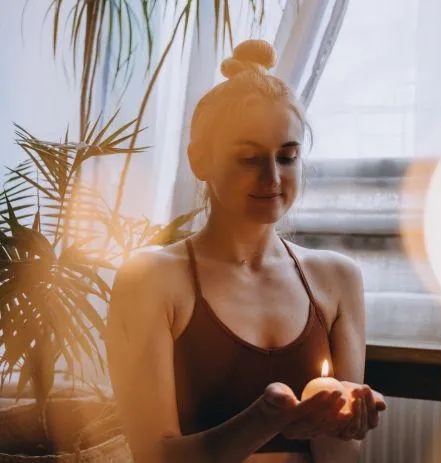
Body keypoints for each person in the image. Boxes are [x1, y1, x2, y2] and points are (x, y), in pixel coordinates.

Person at [105, 39, 387, 463]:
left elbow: (340, 458)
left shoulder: (338, 279)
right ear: (200, 161)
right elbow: (153, 455)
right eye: (249, 158)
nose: (272, 176)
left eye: (287, 157)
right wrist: (265, 419)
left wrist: (340, 423)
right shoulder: (151, 280)